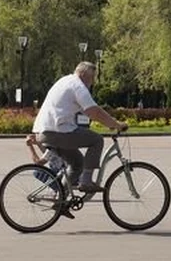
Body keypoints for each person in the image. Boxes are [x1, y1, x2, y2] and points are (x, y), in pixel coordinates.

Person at [33, 61, 128, 194]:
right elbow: (94, 111)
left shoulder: (65, 80)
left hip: (45, 131)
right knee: (96, 140)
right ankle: (86, 181)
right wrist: (116, 124)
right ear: (84, 74)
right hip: (58, 131)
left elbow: (88, 110)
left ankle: (60, 199)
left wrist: (109, 122)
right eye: (92, 77)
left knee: (77, 164)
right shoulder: (77, 85)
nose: (92, 82)